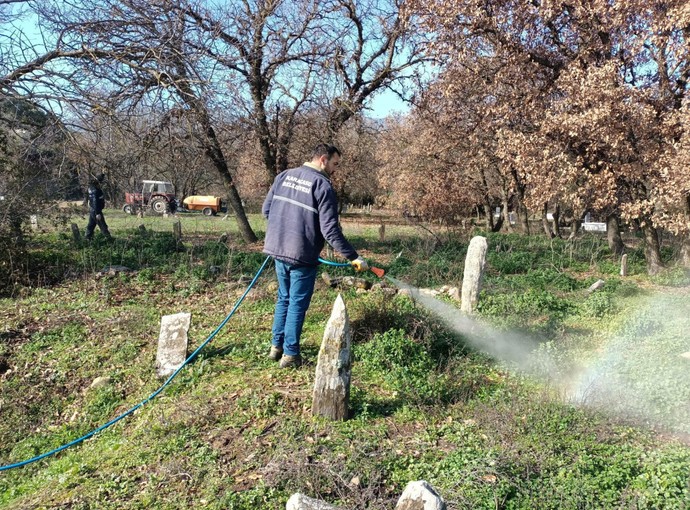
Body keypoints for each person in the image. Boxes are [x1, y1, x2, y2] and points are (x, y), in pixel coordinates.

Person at [262, 144, 368, 368]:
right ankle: (290, 355)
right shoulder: (322, 184)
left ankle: (276, 347)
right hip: (302, 255)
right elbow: (330, 230)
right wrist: (353, 257)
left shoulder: (284, 176)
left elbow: (266, 211)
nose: (335, 169)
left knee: (284, 298)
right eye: (334, 164)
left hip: (278, 250)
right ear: (323, 159)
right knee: (297, 304)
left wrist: (284, 231)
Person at [85, 173, 112, 241]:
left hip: (92, 210)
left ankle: (87, 238)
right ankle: (109, 239)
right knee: (103, 225)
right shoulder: (96, 191)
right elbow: (95, 201)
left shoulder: (91, 188)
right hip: (96, 210)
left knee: (91, 225)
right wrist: (97, 213)